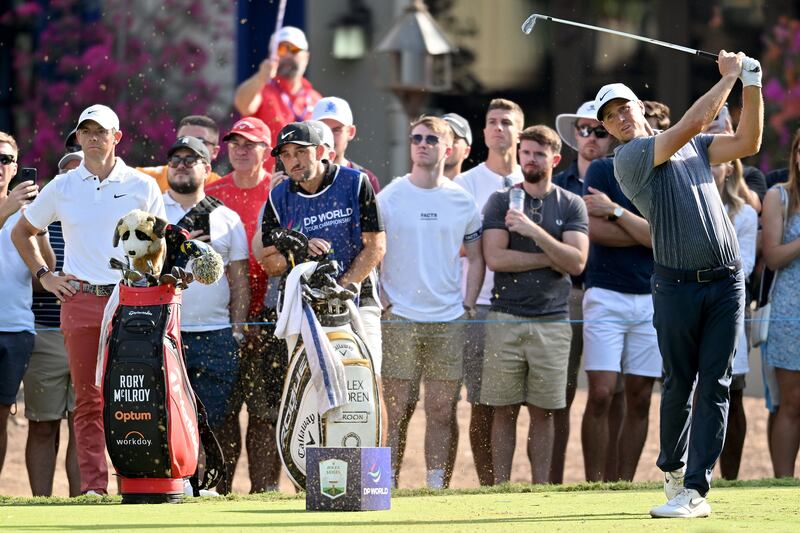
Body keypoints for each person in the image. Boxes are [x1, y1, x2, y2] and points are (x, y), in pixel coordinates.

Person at [595, 49, 762, 517]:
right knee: (678, 384)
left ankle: (694, 490)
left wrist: (753, 81)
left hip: (727, 282)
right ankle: (672, 467)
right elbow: (689, 124)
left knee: (716, 384)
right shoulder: (628, 158)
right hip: (675, 285)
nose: (619, 119)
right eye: (609, 117)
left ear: (639, 108)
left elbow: (748, 141)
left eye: (623, 108)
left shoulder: (696, 148)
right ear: (607, 129)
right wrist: (728, 77)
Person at [12, 104, 166, 496]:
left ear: (117, 138)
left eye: (102, 132)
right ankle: (95, 487)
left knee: (137, 392)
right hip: (80, 300)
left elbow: (159, 246)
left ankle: (140, 479)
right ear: (78, 137)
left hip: (130, 301)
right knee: (88, 399)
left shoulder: (142, 185)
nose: (94, 138)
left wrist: (150, 285)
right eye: (87, 131)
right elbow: (23, 231)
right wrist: (45, 276)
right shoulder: (63, 186)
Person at [259, 120, 386, 435]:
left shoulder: (356, 183)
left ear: (320, 150)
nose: (293, 161)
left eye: (300, 152)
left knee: (368, 384)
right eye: (286, 155)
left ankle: (373, 473)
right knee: (309, 390)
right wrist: (295, 248)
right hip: (304, 309)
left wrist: (342, 288)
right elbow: (269, 263)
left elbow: (376, 246)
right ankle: (316, 475)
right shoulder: (279, 197)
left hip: (358, 299)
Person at [377, 116, 484, 489]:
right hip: (399, 317)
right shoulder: (389, 196)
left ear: (448, 149)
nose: (422, 144)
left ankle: (436, 487)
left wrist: (468, 304)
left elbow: (476, 255)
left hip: (448, 319)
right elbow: (373, 250)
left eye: (431, 139)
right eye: (416, 138)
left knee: (441, 409)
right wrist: (384, 300)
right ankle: (385, 483)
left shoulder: (462, 200)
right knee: (396, 409)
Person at [481, 125, 588, 485]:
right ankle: (500, 489)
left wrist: (533, 232)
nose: (529, 159)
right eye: (525, 152)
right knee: (503, 411)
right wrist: (550, 256)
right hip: (505, 316)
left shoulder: (571, 203)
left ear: (555, 159)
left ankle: (540, 488)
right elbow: (496, 258)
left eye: (538, 154)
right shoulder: (500, 200)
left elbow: (576, 264)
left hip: (552, 321)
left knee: (545, 413)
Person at [162, 136, 250, 491]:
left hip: (216, 334)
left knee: (215, 417)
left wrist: (238, 329)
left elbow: (240, 281)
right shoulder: (153, 212)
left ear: (207, 168)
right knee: (170, 416)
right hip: (167, 332)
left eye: (191, 159)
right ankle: (174, 483)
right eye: (176, 159)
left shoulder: (227, 218)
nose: (181, 164)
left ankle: (211, 485)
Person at [453, 98, 524, 486]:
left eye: (507, 122)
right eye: (492, 122)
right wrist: (489, 245)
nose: (499, 128)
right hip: (480, 304)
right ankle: (487, 487)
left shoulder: (532, 177)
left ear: (519, 131)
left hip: (526, 306)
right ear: (483, 133)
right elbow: (450, 242)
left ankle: (525, 484)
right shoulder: (465, 184)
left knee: (522, 405)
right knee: (481, 403)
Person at [204, 117, 274, 493]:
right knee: (223, 414)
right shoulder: (214, 192)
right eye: (235, 143)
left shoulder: (277, 190)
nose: (241, 150)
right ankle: (222, 493)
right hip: (221, 318)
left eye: (251, 144)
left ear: (267, 150)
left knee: (265, 414)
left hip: (269, 318)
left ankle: (264, 495)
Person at [579, 154, 660, 483]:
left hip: (653, 297)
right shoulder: (601, 168)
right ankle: (594, 484)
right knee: (601, 393)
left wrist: (615, 211)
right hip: (606, 293)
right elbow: (596, 231)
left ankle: (623, 484)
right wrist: (647, 233)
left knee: (640, 398)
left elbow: (664, 236)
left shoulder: (663, 169)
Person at [551, 100, 616, 484]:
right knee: (561, 394)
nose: (591, 138)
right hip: (569, 294)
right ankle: (554, 483)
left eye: (599, 131)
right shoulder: (557, 185)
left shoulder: (625, 178)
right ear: (574, 135)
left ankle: (607, 484)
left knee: (611, 394)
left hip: (614, 290)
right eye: (584, 130)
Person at [22, 149, 82, 497]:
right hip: (46, 334)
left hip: (89, 332)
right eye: (66, 175)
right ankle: (40, 503)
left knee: (83, 424)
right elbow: (32, 277)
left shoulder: (101, 223)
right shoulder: (38, 223)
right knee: (43, 425)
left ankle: (82, 500)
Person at [0, 132, 54, 485]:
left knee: (1, 416)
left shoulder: (24, 213)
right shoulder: (9, 209)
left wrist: (37, 231)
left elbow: (43, 277)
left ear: (16, 167)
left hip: (15, 327)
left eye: (5, 159)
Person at [711, 158, 757, 480]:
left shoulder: (745, 213)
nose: (711, 167)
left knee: (733, 394)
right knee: (692, 395)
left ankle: (730, 478)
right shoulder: (680, 205)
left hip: (729, 309)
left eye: (718, 163)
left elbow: (747, 264)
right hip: (688, 309)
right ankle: (692, 476)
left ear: (730, 170)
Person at [761, 128, 800, 479]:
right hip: (791, 310)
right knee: (791, 403)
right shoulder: (779, 197)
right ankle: (783, 485)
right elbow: (771, 257)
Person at [234, 26, 321, 165]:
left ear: (306, 57)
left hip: (307, 181)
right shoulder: (262, 89)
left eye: (293, 50)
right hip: (270, 182)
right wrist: (260, 77)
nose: (287, 55)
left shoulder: (316, 99)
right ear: (272, 56)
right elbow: (243, 105)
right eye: (281, 49)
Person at [311, 96, 381, 193]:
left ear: (351, 132)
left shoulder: (366, 179)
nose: (329, 137)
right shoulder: (297, 178)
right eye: (323, 129)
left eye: (336, 130)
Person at [137, 115, 223, 192]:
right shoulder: (143, 178)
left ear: (215, 152)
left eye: (199, 141)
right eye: (183, 140)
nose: (189, 145)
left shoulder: (222, 189)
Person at [442, 113, 472, 179]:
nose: (447, 144)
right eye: (442, 138)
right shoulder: (415, 186)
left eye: (453, 140)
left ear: (466, 151)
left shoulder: (472, 188)